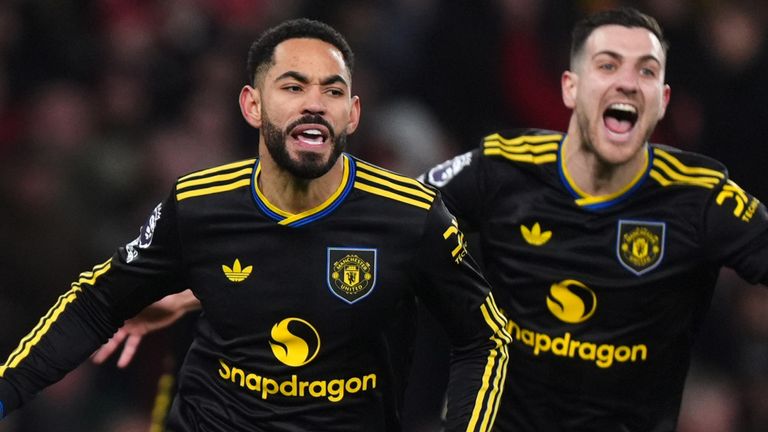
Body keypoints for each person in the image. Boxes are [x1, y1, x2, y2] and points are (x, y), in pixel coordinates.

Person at [98, 7, 768, 432]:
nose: (625, 82)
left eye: (645, 71)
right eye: (607, 65)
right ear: (571, 88)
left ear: (662, 99)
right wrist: (197, 287)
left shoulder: (701, 196)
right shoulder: (500, 170)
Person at [0, 18, 512, 431]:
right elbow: (96, 303)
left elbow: (483, 336)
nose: (314, 102)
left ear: (352, 114)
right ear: (252, 104)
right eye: (293, 86)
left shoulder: (411, 215)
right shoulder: (198, 206)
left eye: (332, 92)